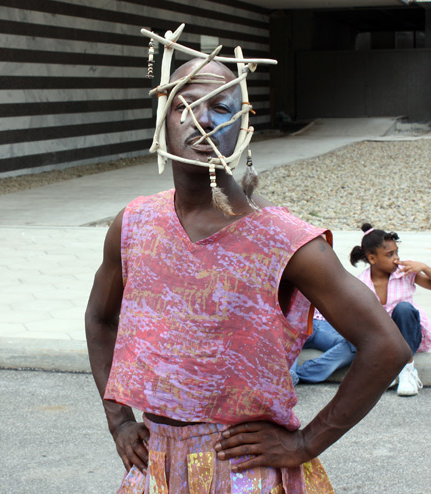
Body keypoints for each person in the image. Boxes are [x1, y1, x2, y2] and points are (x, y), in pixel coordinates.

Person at [85, 26, 410, 494]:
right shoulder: (134, 224)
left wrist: (305, 443)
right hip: (156, 470)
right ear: (164, 116)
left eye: (222, 106)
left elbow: (387, 347)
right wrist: (118, 420)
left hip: (243, 473)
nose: (203, 119)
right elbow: (99, 318)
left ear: (243, 123)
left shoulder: (284, 241)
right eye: (186, 104)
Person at [350, 223, 431, 396]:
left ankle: (407, 369)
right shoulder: (362, 283)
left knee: (403, 309)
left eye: (396, 253)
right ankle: (389, 370)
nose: (396, 258)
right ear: (372, 259)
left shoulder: (405, 272)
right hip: (382, 341)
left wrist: (423, 267)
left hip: (408, 335)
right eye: (389, 254)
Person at [289, 315, 356, 385]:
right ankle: (287, 379)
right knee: (285, 338)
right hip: (300, 319)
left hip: (331, 325)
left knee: (354, 346)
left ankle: (295, 375)